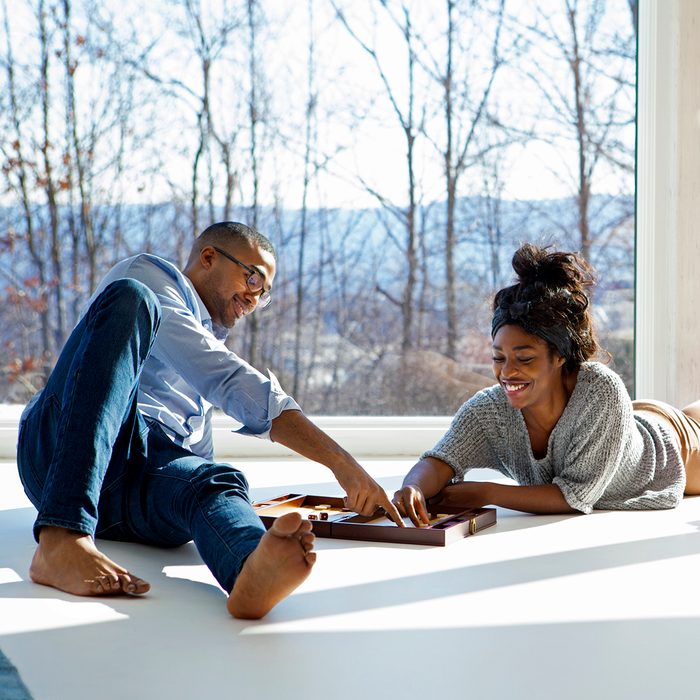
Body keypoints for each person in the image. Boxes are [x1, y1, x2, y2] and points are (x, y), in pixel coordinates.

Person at [17, 221, 402, 620]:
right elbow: (226, 378)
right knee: (131, 300)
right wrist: (344, 465)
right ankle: (61, 536)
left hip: (132, 491)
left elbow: (195, 463)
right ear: (208, 258)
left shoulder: (206, 350)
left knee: (215, 479)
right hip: (59, 451)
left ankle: (250, 570)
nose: (255, 298)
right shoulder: (148, 278)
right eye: (252, 278)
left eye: (263, 292)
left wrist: (230, 509)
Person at [393, 243, 700, 525]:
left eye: (524, 359)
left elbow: (575, 496)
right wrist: (413, 486)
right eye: (499, 358)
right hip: (622, 422)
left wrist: (486, 493)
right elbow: (441, 459)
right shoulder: (488, 411)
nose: (507, 373)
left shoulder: (601, 390)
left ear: (559, 357)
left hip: (674, 445)